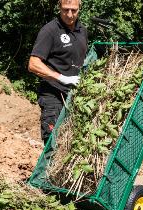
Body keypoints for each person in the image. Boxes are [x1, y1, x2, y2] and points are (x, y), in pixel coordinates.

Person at [28, 0, 88, 144]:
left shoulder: (82, 31)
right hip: (53, 95)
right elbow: (33, 64)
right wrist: (61, 77)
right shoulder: (50, 30)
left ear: (80, 7)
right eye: (65, 10)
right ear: (59, 7)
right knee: (53, 143)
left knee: (73, 144)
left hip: (74, 96)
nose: (69, 14)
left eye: (74, 10)